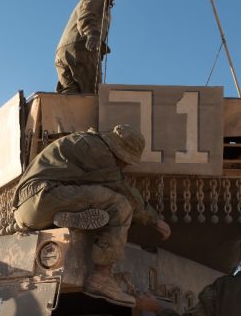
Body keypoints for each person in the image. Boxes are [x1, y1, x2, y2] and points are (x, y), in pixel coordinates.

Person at [12, 123, 171, 306]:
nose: (125, 165)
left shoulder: (84, 142)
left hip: (28, 212)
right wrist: (154, 220)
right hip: (46, 197)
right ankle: (102, 278)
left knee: (98, 199)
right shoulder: (99, 152)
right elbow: (124, 189)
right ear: (118, 150)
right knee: (120, 205)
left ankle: (71, 219)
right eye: (126, 159)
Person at [55, 0, 125, 94]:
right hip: (83, 49)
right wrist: (92, 33)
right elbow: (87, 14)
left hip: (63, 53)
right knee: (92, 96)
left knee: (71, 95)